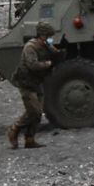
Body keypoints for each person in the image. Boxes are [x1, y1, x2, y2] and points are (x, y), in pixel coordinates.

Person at [6, 21, 62, 149]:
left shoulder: (47, 45)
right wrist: (47, 64)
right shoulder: (30, 47)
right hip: (27, 82)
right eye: (48, 36)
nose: (50, 39)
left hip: (37, 82)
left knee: (38, 113)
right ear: (42, 35)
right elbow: (32, 65)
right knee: (33, 111)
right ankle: (14, 129)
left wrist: (58, 55)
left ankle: (30, 139)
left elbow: (55, 53)